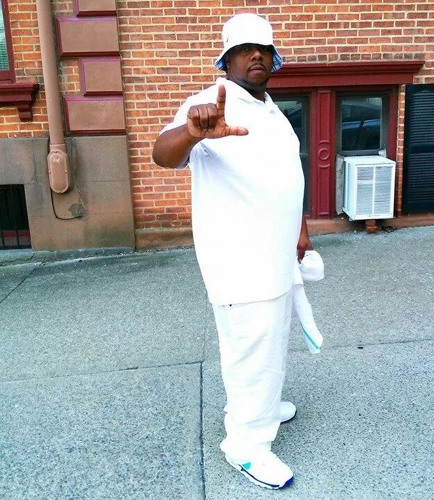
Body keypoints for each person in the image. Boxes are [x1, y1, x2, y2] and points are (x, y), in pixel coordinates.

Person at [152, 13, 313, 490]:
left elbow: (287, 174)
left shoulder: (272, 111)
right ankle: (245, 445)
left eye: (263, 48)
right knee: (250, 348)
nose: (256, 55)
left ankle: (263, 407)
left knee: (271, 339)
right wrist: (193, 132)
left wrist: (300, 229)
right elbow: (162, 154)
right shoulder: (207, 105)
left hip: (276, 255)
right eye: (244, 49)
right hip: (240, 261)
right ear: (226, 59)